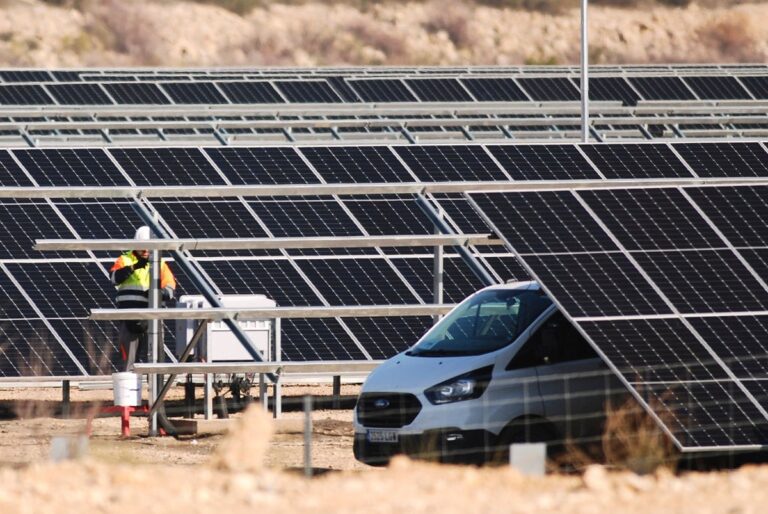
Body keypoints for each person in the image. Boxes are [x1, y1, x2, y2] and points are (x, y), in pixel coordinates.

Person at [110, 225, 177, 370]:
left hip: (152, 317)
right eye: (142, 248)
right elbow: (114, 278)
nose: (146, 252)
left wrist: (156, 294)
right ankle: (129, 384)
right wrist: (133, 267)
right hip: (128, 316)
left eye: (149, 248)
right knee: (128, 362)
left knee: (155, 360)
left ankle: (156, 384)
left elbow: (170, 290)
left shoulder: (160, 264)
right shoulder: (124, 259)